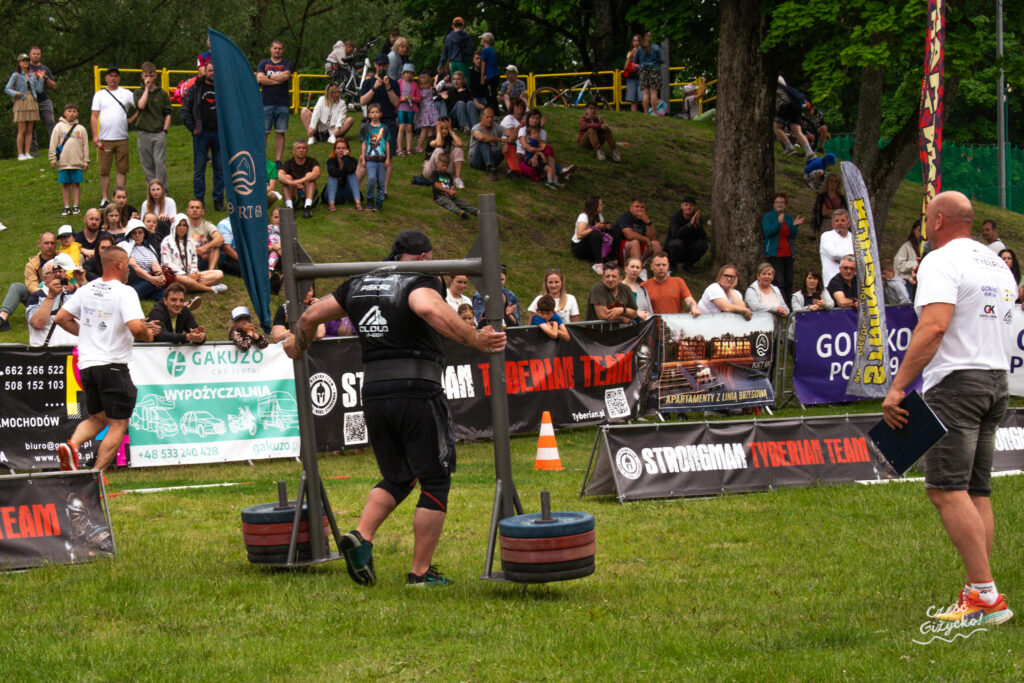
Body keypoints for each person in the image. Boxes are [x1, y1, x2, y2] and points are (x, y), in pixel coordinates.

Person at [283, 229, 507, 587]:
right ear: (422, 257)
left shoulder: (359, 283)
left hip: (374, 392)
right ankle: (420, 574)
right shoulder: (418, 281)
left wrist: (298, 346)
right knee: (434, 479)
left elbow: (310, 316)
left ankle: (362, 536)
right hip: (417, 389)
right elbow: (427, 307)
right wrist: (474, 339)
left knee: (399, 475)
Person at [882, 190, 1016, 626]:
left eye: (926, 219)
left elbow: (935, 325)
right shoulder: (997, 263)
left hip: (958, 382)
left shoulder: (941, 260)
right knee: (976, 490)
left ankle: (985, 596)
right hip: (997, 380)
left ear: (937, 221)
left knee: (945, 489)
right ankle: (979, 588)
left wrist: (898, 388)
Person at [54, 247, 160, 475]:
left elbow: (61, 318)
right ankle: (96, 475)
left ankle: (71, 446)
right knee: (118, 424)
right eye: (128, 267)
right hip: (112, 365)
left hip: (87, 366)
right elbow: (134, 327)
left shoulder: (87, 289)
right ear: (121, 265)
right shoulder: (125, 292)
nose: (130, 271)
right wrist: (148, 334)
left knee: (98, 418)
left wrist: (88, 334)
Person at [181, 61, 224, 211]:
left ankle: (218, 201)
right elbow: (185, 110)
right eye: (210, 70)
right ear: (204, 71)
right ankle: (199, 202)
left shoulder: (223, 89)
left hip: (219, 134)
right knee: (199, 170)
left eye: (215, 70)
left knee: (220, 169)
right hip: (201, 133)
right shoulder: (196, 88)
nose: (212, 73)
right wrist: (193, 128)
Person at [90, 68, 136, 207]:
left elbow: (140, 106)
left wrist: (132, 119)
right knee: (104, 169)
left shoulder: (127, 94)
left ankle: (120, 197)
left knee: (122, 169)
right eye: (111, 76)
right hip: (105, 139)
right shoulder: (99, 95)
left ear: (119, 78)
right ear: (106, 78)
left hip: (122, 138)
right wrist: (94, 136)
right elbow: (94, 115)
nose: (113, 79)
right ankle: (105, 198)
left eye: (116, 76)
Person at [359, 54, 401, 195]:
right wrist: (374, 88)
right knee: (366, 155)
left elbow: (396, 103)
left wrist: (388, 86)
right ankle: (356, 187)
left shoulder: (394, 83)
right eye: (379, 65)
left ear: (388, 65)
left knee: (388, 156)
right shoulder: (368, 82)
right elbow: (363, 101)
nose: (382, 67)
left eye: (384, 65)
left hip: (388, 121)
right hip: (371, 123)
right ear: (375, 65)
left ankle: (384, 189)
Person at [0, 230, 58, 331]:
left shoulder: (63, 259)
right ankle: (2, 318)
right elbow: (32, 286)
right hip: (39, 297)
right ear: (39, 244)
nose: (49, 246)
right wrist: (48, 294)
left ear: (56, 244)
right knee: (17, 287)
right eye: (46, 243)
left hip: (61, 295)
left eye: (52, 243)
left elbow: (72, 282)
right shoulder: (32, 264)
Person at [161, 213, 227, 295]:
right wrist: (186, 276)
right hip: (176, 276)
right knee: (182, 279)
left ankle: (190, 287)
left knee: (219, 274)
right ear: (174, 226)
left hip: (190, 275)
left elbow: (194, 261)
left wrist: (194, 273)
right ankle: (211, 289)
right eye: (179, 225)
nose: (182, 228)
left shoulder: (190, 241)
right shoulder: (166, 241)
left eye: (184, 225)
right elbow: (167, 264)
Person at [26, 255, 81, 347]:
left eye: (61, 271)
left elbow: (93, 315)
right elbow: (37, 323)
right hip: (48, 355)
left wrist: (82, 281)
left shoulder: (73, 295)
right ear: (44, 278)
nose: (58, 275)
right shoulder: (36, 297)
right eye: (54, 272)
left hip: (74, 353)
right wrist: (51, 296)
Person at [134, 61, 172, 189]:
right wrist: (146, 88)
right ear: (142, 76)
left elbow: (168, 112)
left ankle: (162, 191)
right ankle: (152, 190)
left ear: (155, 75)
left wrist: (165, 130)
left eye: (151, 75)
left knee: (159, 163)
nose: (148, 78)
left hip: (158, 132)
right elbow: (141, 105)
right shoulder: (138, 92)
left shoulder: (162, 94)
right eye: (146, 75)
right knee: (147, 164)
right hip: (143, 132)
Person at [49, 102, 88, 216]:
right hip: (63, 162)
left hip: (76, 162)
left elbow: (85, 146)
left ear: (77, 114)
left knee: (76, 184)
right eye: (69, 111)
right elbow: (53, 143)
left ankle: (76, 205)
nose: (71, 114)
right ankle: (66, 206)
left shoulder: (81, 129)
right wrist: (52, 159)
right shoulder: (59, 127)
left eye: (74, 111)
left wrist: (85, 161)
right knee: (65, 184)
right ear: (64, 113)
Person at [257, 40, 293, 167]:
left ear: (283, 50)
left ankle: (278, 160)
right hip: (266, 102)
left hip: (282, 103)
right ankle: (261, 158)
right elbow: (260, 79)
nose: (277, 51)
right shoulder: (263, 63)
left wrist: (269, 77)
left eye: (280, 48)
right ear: (270, 49)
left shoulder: (286, 63)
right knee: (264, 132)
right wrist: (277, 79)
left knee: (280, 132)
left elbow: (286, 76)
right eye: (275, 48)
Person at [761, 192, 800, 302]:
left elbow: (792, 235)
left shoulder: (788, 218)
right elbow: (767, 232)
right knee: (779, 281)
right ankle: (781, 305)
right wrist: (778, 223)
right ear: (773, 204)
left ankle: (789, 305)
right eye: (777, 202)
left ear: (785, 204)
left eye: (782, 202)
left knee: (789, 281)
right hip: (775, 254)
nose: (779, 204)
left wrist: (795, 226)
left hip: (788, 253)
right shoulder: (769, 217)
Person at [6, 53, 43, 160]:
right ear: (19, 63)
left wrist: (41, 79)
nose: (25, 62)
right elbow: (7, 88)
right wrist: (15, 93)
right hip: (21, 101)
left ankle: (27, 152)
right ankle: (20, 154)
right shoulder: (16, 75)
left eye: (27, 61)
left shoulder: (31, 75)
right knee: (22, 129)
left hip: (32, 100)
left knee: (30, 129)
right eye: (23, 61)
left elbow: (39, 89)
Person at [119, 218, 165, 300]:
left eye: (140, 232)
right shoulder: (127, 247)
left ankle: (182, 306)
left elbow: (155, 264)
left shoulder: (148, 247)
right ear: (130, 234)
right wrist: (151, 279)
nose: (137, 235)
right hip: (135, 280)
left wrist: (161, 276)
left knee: (161, 291)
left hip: (149, 278)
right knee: (151, 284)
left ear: (144, 233)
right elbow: (133, 266)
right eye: (134, 233)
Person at [773, 77, 815, 160]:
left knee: (776, 127)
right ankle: (809, 152)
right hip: (796, 106)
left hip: (786, 106)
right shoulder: (783, 84)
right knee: (797, 131)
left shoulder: (773, 82)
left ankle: (789, 147)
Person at [571, 196, 616, 273]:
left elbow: (601, 231)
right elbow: (580, 235)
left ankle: (613, 259)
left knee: (615, 232)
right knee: (595, 233)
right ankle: (598, 263)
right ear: (595, 206)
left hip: (592, 247)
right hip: (579, 247)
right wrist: (594, 227)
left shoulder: (599, 216)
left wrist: (605, 226)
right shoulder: (583, 216)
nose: (603, 206)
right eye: (601, 205)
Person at [360, 103, 391, 213]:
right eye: (372, 112)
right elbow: (364, 143)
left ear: (380, 114)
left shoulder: (384, 128)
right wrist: (363, 158)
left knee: (381, 182)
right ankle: (369, 200)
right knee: (372, 178)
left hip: (381, 159)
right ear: (369, 115)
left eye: (376, 112)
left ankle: (379, 202)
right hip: (370, 159)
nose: (374, 114)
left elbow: (387, 143)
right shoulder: (366, 128)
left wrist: (387, 159)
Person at [279, 139, 322, 218]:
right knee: (287, 178)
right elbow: (280, 175)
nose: (301, 150)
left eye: (303, 148)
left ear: (307, 150)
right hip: (294, 194)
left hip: (309, 193)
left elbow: (317, 173)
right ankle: (289, 208)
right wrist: (292, 183)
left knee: (310, 176)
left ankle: (307, 207)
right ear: (293, 150)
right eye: (298, 148)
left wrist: (299, 181)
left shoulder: (312, 161)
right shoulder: (289, 163)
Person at [613, 197, 662, 265]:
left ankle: (661, 267)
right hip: (621, 251)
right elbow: (629, 235)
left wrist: (648, 222)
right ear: (631, 208)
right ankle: (638, 267)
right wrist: (645, 239)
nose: (639, 209)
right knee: (634, 242)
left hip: (638, 249)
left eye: (642, 207)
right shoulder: (624, 218)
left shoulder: (644, 218)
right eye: (637, 206)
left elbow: (652, 237)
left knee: (655, 244)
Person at [27, 47, 57, 156]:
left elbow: (54, 86)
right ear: (29, 55)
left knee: (50, 124)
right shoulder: (25, 67)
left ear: (41, 55)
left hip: (44, 100)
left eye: (38, 54)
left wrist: (45, 78)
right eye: (34, 53)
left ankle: (54, 149)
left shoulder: (45, 69)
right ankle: (33, 151)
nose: (36, 55)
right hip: (30, 101)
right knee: (31, 127)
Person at [420, 116, 465, 188]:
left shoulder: (449, 138)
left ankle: (457, 179)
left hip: (445, 167)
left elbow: (460, 144)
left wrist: (450, 130)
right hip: (430, 170)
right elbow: (439, 144)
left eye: (446, 128)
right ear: (437, 128)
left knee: (458, 149)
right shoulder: (431, 138)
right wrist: (438, 131)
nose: (444, 131)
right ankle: (440, 178)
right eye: (442, 128)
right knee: (439, 150)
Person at [665, 197, 706, 274]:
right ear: (682, 206)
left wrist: (697, 225)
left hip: (689, 248)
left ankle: (688, 265)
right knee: (677, 243)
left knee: (703, 244)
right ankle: (672, 265)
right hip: (674, 249)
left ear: (694, 207)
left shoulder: (697, 218)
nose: (688, 207)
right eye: (686, 205)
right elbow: (675, 234)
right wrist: (690, 224)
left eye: (691, 205)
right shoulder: (676, 218)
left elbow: (703, 237)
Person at [468, 107, 512, 180]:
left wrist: (517, 129)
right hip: (476, 160)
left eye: (492, 117)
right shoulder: (476, 128)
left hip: (492, 157)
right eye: (487, 117)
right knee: (484, 142)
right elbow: (481, 137)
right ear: (482, 118)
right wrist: (501, 139)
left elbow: (510, 134)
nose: (490, 119)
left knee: (508, 145)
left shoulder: (496, 126)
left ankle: (510, 170)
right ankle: (491, 169)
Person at [431, 153, 478, 219]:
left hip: (450, 195)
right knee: (449, 203)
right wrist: (448, 191)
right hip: (439, 196)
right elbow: (436, 185)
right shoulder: (435, 173)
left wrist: (453, 191)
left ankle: (476, 211)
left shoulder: (448, 175)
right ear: (437, 164)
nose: (445, 168)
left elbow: (451, 185)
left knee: (461, 202)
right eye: (443, 165)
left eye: (446, 166)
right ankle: (460, 212)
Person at [325, 138, 363, 212]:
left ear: (347, 150)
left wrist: (345, 158)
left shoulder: (352, 160)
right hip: (335, 193)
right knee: (333, 177)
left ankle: (358, 203)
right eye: (338, 148)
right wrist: (342, 172)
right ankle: (331, 204)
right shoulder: (331, 161)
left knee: (351, 175)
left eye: (343, 148)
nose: (341, 150)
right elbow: (333, 173)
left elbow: (350, 170)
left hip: (347, 193)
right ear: (335, 151)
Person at [184, 199, 223, 270]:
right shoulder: (182, 226)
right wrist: (195, 251)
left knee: (215, 246)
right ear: (188, 211)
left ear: (203, 212)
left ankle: (211, 272)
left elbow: (220, 239)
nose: (195, 210)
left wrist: (205, 247)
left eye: (198, 207)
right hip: (187, 259)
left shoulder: (207, 225)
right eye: (192, 207)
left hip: (203, 258)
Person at [820, 208, 854, 286]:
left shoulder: (854, 238)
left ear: (848, 223)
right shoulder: (826, 236)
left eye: (843, 220)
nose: (839, 223)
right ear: (832, 223)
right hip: (832, 282)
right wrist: (853, 257)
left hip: (851, 282)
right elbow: (835, 254)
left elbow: (860, 257)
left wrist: (842, 259)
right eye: (837, 221)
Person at [395, 64, 421, 156]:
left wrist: (413, 98)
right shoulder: (399, 83)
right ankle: (399, 148)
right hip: (401, 108)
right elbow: (395, 96)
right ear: (403, 74)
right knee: (401, 128)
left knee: (409, 128)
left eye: (411, 73)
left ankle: (409, 148)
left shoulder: (414, 85)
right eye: (407, 73)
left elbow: (418, 98)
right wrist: (401, 99)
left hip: (410, 108)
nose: (409, 75)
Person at [635, 32, 663, 116]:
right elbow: (662, 59)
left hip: (643, 71)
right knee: (653, 92)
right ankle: (654, 112)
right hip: (654, 70)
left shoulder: (640, 48)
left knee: (646, 93)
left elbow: (636, 60)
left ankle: (646, 113)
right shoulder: (656, 47)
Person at [812, 172, 846, 237]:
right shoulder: (822, 197)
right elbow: (824, 212)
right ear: (827, 182)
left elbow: (844, 213)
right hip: (825, 225)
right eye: (831, 181)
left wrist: (830, 211)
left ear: (839, 184)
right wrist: (838, 212)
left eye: (836, 181)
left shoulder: (842, 198)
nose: (833, 183)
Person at [415, 72, 440, 154]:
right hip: (429, 113)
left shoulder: (425, 92)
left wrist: (412, 96)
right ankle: (429, 146)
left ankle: (421, 146)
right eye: (422, 84)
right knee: (429, 131)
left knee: (426, 130)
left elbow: (418, 98)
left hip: (427, 113)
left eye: (425, 84)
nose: (424, 86)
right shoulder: (428, 91)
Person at [623, 35, 642, 113]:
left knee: (642, 97)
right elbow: (625, 68)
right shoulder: (630, 52)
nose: (636, 43)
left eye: (637, 41)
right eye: (634, 41)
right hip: (631, 78)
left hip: (641, 77)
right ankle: (634, 115)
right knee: (632, 99)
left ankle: (646, 116)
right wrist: (630, 57)